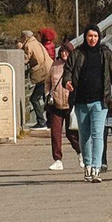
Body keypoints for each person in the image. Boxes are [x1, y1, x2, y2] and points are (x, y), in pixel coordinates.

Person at [66, 26, 112, 182]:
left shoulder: (105, 54)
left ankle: (96, 168)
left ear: (99, 37)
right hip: (81, 101)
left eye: (95, 36)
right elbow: (68, 71)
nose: (92, 39)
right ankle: (87, 165)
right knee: (84, 135)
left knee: (98, 134)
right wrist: (67, 82)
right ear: (85, 37)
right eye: (89, 36)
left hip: (100, 102)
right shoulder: (77, 53)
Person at [45, 37, 72, 171]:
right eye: (62, 52)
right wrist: (47, 94)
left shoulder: (75, 65)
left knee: (72, 134)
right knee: (55, 133)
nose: (64, 54)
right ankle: (57, 159)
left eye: (66, 52)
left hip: (70, 104)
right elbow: (47, 81)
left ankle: (80, 153)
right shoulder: (54, 65)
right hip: (56, 104)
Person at [20, 27, 55, 131]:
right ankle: (50, 121)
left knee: (34, 98)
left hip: (42, 74)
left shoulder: (28, 45)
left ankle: (41, 122)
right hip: (48, 71)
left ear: (25, 37)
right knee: (46, 98)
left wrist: (20, 49)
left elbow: (25, 59)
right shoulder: (37, 43)